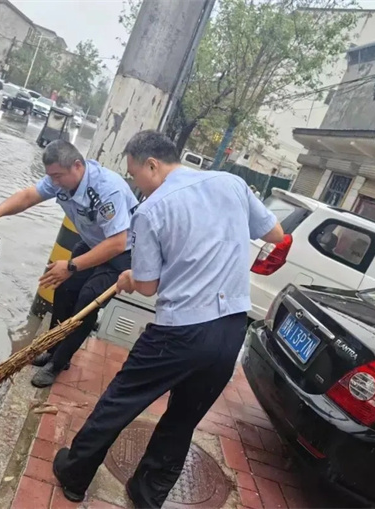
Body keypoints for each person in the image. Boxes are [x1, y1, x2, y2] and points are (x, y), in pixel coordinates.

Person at [51, 131, 284, 508]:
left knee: (121, 399)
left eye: (134, 174)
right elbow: (275, 232)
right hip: (230, 332)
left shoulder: (152, 210)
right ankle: (148, 494)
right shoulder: (232, 183)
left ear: (153, 165)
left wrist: (130, 277)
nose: (134, 184)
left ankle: (75, 474)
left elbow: (147, 285)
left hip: (180, 332)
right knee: (183, 417)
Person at [0, 140, 138, 388]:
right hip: (93, 243)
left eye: (57, 176)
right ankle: (54, 348)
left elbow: (116, 244)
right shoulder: (59, 179)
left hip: (123, 253)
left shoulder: (107, 190)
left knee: (87, 302)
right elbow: (29, 195)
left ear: (77, 166)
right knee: (64, 289)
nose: (53, 182)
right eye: (51, 177)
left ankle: (58, 364)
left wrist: (70, 266)